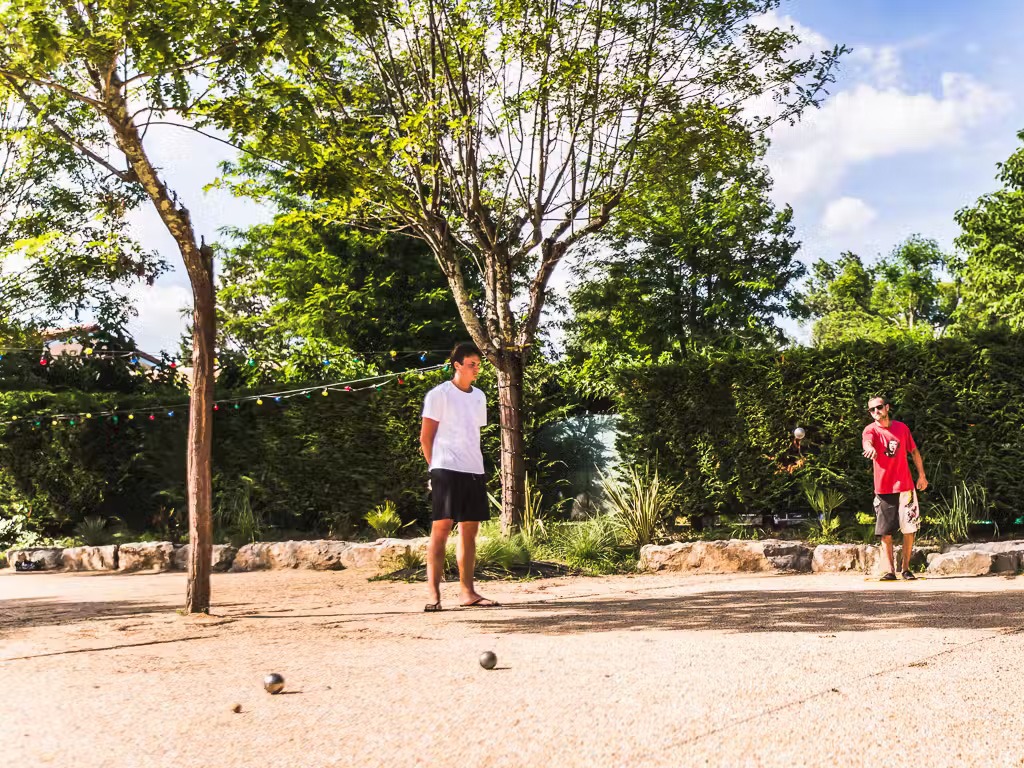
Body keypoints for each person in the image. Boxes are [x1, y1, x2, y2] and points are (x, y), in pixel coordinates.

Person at [419, 342, 498, 611]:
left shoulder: (479, 396)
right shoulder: (439, 395)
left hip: (473, 470)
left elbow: (470, 432)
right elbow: (425, 438)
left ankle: (468, 593)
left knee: (469, 533)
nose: (477, 368)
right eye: (471, 364)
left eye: (478, 364)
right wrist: (435, 469)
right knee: (440, 529)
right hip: (445, 469)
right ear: (457, 365)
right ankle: (433, 595)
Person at [862, 396, 928, 580]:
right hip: (883, 489)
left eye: (879, 407)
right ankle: (890, 571)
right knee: (885, 531)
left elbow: (914, 451)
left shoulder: (901, 428)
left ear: (887, 407)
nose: (876, 412)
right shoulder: (870, 430)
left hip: (905, 487)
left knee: (909, 529)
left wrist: (921, 475)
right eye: (872, 410)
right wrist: (869, 448)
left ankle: (906, 569)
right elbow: (867, 442)